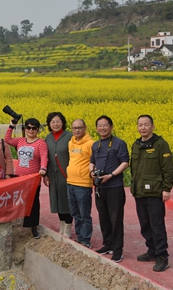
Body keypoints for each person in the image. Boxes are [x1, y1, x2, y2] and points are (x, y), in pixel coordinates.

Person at [130, 115, 173, 272]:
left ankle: (162, 256)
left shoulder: (160, 144)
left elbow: (168, 169)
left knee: (157, 225)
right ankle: (152, 250)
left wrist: (166, 189)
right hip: (140, 192)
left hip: (155, 192)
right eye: (140, 125)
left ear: (152, 126)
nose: (143, 127)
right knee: (145, 225)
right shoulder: (136, 145)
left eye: (146, 125)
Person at [89, 115, 129, 263]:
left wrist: (111, 175)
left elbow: (125, 163)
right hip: (100, 187)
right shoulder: (96, 145)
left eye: (105, 125)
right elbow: (91, 162)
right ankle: (108, 245)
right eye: (99, 125)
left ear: (111, 127)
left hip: (114, 187)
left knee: (116, 219)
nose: (102, 128)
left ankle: (118, 250)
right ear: (96, 128)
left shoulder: (119, 143)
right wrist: (92, 172)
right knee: (103, 217)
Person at [5, 118, 48, 239]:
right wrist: (11, 126)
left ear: (38, 130)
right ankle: (14, 223)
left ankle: (33, 226)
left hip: (33, 179)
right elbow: (7, 140)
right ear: (25, 129)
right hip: (19, 177)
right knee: (16, 200)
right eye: (28, 128)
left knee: (33, 203)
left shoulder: (41, 143)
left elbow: (44, 157)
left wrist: (43, 168)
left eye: (34, 128)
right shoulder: (20, 141)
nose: (31, 130)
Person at [43, 112, 73, 238]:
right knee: (57, 200)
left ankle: (68, 227)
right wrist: (45, 174)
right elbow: (45, 157)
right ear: (49, 124)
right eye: (53, 122)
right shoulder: (48, 138)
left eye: (58, 121)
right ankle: (61, 226)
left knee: (66, 201)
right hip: (52, 174)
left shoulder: (70, 136)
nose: (55, 124)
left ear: (63, 122)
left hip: (66, 174)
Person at [66, 119, 95, 249]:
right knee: (75, 212)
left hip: (83, 184)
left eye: (79, 127)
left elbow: (95, 162)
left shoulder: (91, 144)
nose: (77, 130)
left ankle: (86, 239)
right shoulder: (70, 143)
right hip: (70, 182)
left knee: (84, 214)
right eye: (74, 128)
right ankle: (79, 236)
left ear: (85, 128)